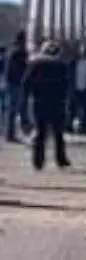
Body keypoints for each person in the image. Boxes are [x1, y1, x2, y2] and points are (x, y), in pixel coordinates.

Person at [22, 41, 72, 170]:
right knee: (58, 133)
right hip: (57, 102)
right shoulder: (61, 65)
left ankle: (38, 161)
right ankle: (61, 159)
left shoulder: (35, 64)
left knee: (40, 132)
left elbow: (26, 83)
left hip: (39, 101)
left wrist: (27, 97)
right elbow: (66, 85)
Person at [4, 31, 28, 142]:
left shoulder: (12, 52)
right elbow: (22, 68)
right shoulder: (18, 53)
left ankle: (10, 133)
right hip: (16, 83)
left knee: (12, 110)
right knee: (13, 110)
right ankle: (10, 134)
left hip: (12, 83)